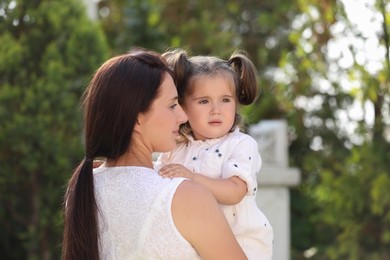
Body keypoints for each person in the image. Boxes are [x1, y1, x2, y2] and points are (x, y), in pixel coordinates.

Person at [61, 49, 247, 260]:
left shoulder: (83, 187)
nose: (183, 116)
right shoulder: (185, 196)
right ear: (137, 117)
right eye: (172, 105)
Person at [156, 48, 274, 260]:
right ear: (182, 106)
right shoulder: (177, 146)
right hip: (195, 246)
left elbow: (235, 191)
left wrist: (191, 178)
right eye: (204, 101)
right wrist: (117, 167)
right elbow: (155, 177)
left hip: (240, 246)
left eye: (225, 100)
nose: (216, 110)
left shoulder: (240, 144)